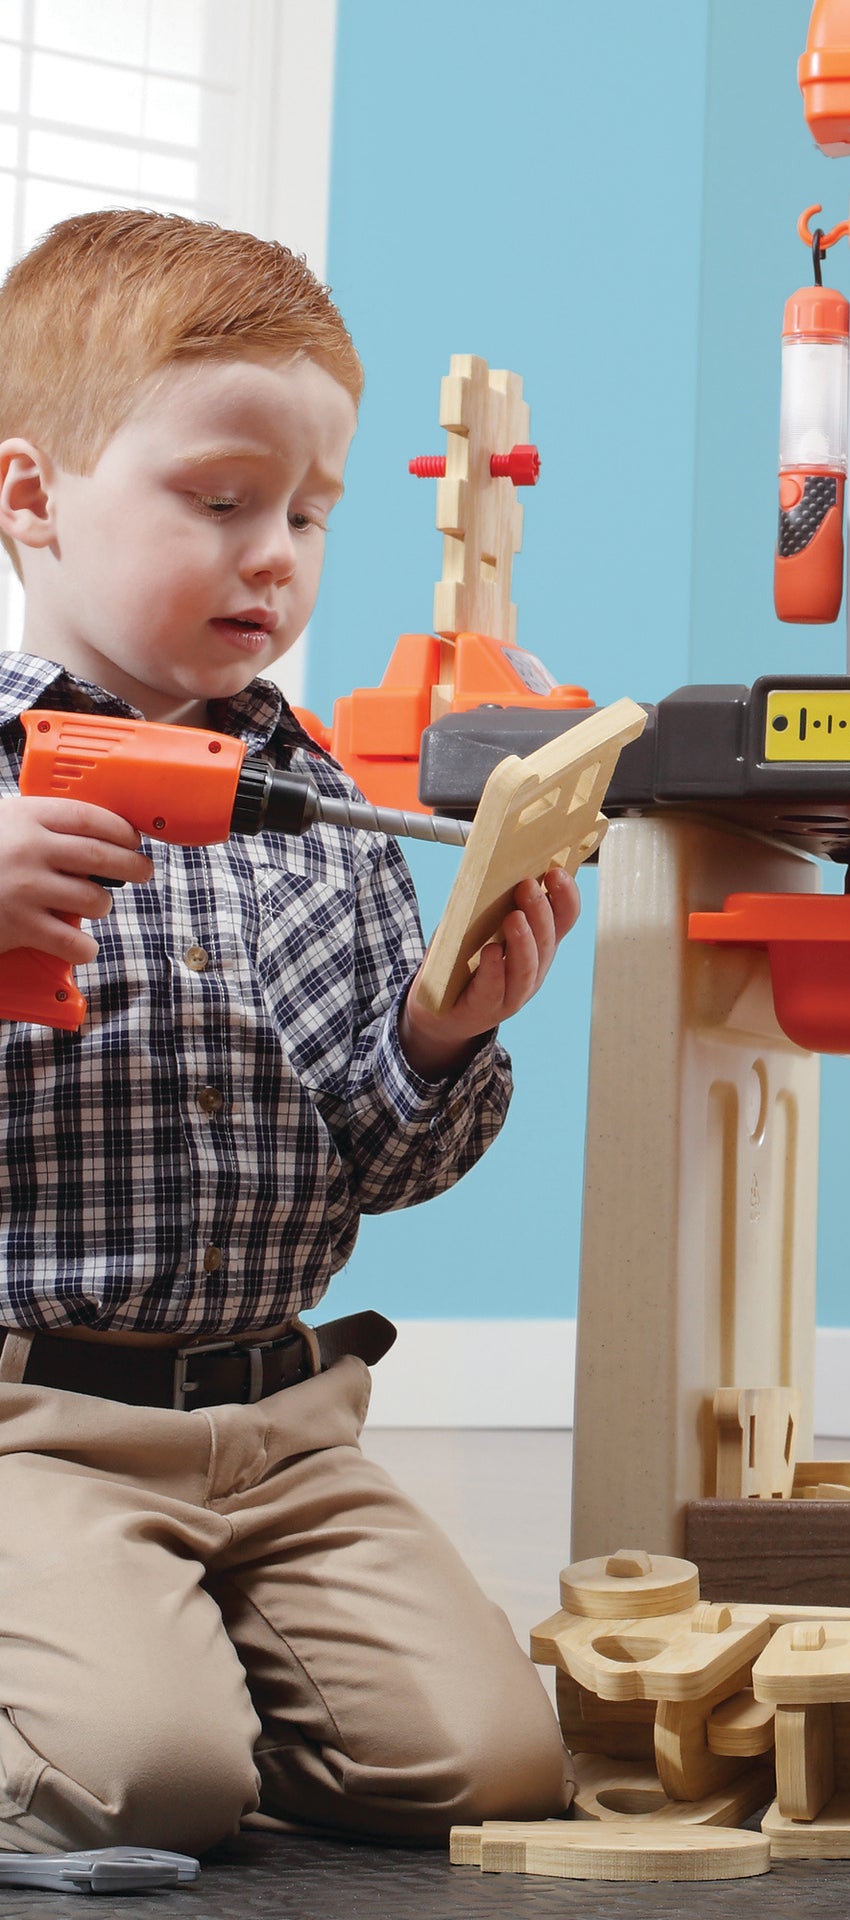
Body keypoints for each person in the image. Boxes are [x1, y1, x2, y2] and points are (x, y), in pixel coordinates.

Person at [0, 211, 572, 1855]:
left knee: (486, 1772)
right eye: (221, 500)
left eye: (311, 513)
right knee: (148, 1783)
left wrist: (440, 1038)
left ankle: (157, 1644)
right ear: (33, 498)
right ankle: (120, 1667)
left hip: (281, 1428)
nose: (278, 556)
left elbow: (384, 1161)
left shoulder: (322, 806)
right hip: (39, 1423)